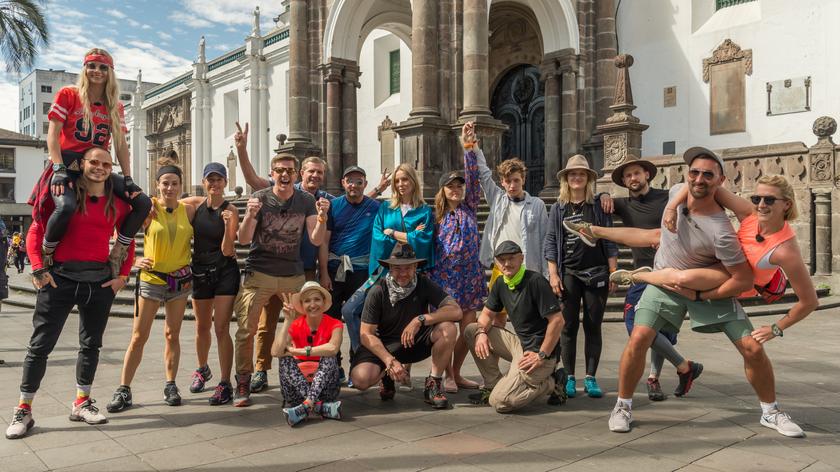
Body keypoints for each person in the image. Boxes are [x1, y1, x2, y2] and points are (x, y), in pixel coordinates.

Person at [608, 147, 806, 438]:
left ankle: (771, 411)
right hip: (670, 282)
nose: (699, 178)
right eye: (694, 172)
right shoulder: (686, 192)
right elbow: (683, 196)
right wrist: (672, 206)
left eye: (707, 175)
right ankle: (622, 406)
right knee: (638, 337)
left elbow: (743, 278)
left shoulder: (739, 231)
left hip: (714, 285)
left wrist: (704, 297)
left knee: (752, 348)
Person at [233, 123, 388, 392]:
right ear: (299, 174)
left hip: (302, 271)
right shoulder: (269, 193)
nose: (314, 176)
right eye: (310, 172)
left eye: (319, 172)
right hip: (264, 270)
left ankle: (306, 371)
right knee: (264, 325)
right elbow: (252, 181)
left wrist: (376, 189)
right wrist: (241, 149)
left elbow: (350, 204)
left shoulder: (320, 200)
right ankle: (258, 371)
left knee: (303, 324)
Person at [6, 147, 133, 439]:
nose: (99, 168)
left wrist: (122, 276)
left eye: (106, 164)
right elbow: (36, 229)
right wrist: (38, 268)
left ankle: (81, 402)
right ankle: (24, 409)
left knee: (91, 345)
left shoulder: (118, 203)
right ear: (83, 164)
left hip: (98, 283)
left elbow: (127, 240)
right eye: (94, 162)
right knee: (39, 347)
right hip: (59, 279)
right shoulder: (63, 193)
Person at [578, 159, 699, 401]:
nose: (633, 178)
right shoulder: (623, 204)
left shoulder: (666, 197)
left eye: (636, 173)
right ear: (623, 182)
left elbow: (690, 192)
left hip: (671, 271)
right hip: (642, 273)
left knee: (662, 328)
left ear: (647, 174)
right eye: (627, 176)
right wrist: (603, 193)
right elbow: (597, 201)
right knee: (635, 324)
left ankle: (654, 378)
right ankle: (684, 366)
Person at [29, 48, 151, 277]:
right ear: (84, 69)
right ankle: (48, 253)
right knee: (65, 207)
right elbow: (52, 135)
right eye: (92, 65)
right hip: (66, 167)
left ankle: (118, 251)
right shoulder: (68, 94)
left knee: (143, 202)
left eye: (103, 67)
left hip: (97, 169)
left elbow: (121, 145)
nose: (97, 71)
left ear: (110, 72)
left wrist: (128, 178)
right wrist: (58, 168)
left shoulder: (115, 105)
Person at [232, 153, 330, 407]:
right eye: (279, 170)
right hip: (260, 273)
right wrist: (250, 216)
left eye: (289, 170)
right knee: (246, 330)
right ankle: (243, 380)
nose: (284, 174)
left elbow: (316, 239)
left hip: (291, 275)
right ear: (272, 173)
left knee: (299, 332)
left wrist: (321, 218)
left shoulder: (307, 200)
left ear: (296, 175)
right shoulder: (260, 198)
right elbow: (243, 239)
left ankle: (300, 381)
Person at [107, 158, 196, 412]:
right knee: (138, 336)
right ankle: (124, 389)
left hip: (179, 282)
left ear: (181, 185)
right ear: (157, 185)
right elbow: (119, 236)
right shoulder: (148, 208)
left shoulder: (188, 209)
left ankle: (170, 384)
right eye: (165, 183)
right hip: (151, 280)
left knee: (172, 335)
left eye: (175, 183)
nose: (170, 188)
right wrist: (134, 261)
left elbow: (213, 202)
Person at [342, 163, 435, 391]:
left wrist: (393, 233)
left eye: (406, 179)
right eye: (398, 180)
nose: (401, 184)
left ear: (414, 181)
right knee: (350, 310)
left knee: (406, 320)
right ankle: (367, 352)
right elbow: (378, 239)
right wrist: (410, 236)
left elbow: (424, 242)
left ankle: (404, 370)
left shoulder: (424, 211)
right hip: (383, 273)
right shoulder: (386, 209)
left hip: (412, 275)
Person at [349, 246, 460, 409]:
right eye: (397, 268)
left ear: (415, 267)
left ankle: (433, 383)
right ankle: (386, 377)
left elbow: (456, 311)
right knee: (360, 379)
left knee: (448, 328)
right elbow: (366, 334)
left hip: (414, 342)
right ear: (389, 268)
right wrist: (389, 360)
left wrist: (420, 319)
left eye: (408, 267)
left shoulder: (423, 283)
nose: (403, 273)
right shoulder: (378, 290)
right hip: (385, 345)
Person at [544, 155, 617, 399]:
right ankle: (571, 377)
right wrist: (553, 274)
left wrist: (614, 271)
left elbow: (609, 239)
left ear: (588, 179)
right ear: (566, 179)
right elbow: (552, 241)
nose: (577, 178)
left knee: (593, 325)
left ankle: (591, 377)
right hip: (569, 274)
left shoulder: (598, 205)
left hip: (597, 273)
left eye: (581, 174)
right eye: (572, 174)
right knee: (568, 326)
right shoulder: (558, 207)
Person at [464, 241, 566, 411]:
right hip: (520, 345)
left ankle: (552, 383)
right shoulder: (500, 283)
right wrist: (481, 332)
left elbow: (557, 321)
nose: (507, 264)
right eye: (502, 260)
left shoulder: (536, 281)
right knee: (472, 330)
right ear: (496, 262)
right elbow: (487, 315)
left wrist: (541, 355)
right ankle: (493, 385)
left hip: (541, 353)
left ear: (521, 258)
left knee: (500, 402)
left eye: (511, 258)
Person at [429, 124, 487, 393]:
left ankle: (457, 372)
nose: (456, 189)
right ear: (442, 190)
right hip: (444, 279)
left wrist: (469, 147)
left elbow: (474, 179)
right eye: (450, 186)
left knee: (468, 327)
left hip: (470, 277)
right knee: (446, 328)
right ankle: (445, 374)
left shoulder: (470, 207)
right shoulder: (434, 216)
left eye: (458, 186)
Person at [186, 163, 240, 404]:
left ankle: (226, 381)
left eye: (219, 180)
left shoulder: (232, 210)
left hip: (224, 270)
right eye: (210, 179)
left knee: (221, 328)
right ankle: (202, 368)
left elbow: (229, 250)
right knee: (201, 326)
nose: (214, 183)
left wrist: (229, 226)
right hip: (199, 270)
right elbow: (168, 202)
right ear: (204, 182)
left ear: (226, 183)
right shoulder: (195, 205)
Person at [323, 166, 381, 366]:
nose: (354, 185)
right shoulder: (333, 206)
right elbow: (324, 241)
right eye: (350, 181)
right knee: (331, 317)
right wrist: (323, 272)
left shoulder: (375, 208)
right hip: (334, 268)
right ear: (343, 183)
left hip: (362, 270)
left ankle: (358, 359)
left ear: (365, 184)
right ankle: (334, 364)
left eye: (359, 181)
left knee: (357, 315)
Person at [271, 282, 343, 426]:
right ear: (302, 305)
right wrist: (287, 321)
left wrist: (302, 351)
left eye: (317, 299)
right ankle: (318, 406)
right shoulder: (296, 324)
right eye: (307, 301)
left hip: (326, 390)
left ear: (323, 302)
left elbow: (333, 348)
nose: (313, 304)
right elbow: (275, 352)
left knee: (329, 356)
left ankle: (306, 405)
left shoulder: (335, 323)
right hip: (297, 390)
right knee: (284, 359)